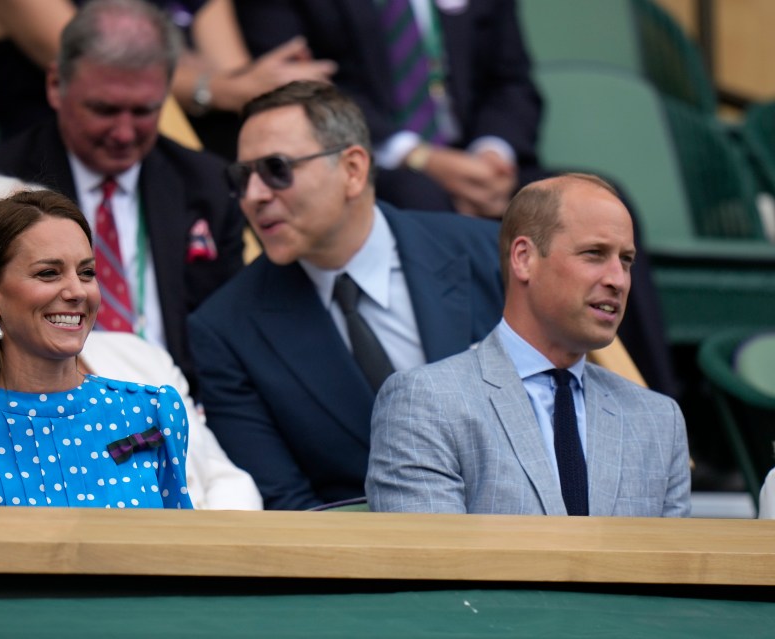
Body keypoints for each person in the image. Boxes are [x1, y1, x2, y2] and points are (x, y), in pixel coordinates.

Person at [188, 81, 503, 510]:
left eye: (276, 169)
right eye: (241, 178)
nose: (254, 196)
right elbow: (290, 508)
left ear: (353, 170)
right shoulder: (226, 328)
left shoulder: (490, 254)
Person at [0, 0, 246, 391]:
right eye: (104, 110)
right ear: (56, 86)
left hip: (183, 409)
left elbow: (230, 341)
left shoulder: (208, 184)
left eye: (144, 111)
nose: (124, 132)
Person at [0, 174, 260, 509]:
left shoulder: (152, 410)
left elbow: (179, 554)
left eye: (86, 272)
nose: (77, 291)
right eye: (48, 273)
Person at [366, 174, 691, 516]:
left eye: (626, 260)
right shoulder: (426, 402)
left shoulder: (659, 421)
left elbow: (670, 568)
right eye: (594, 254)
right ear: (523, 258)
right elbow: (433, 564)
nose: (618, 279)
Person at [233, 0, 545, 218]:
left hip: (474, 157)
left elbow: (511, 81)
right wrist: (418, 156)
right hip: (365, 155)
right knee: (420, 198)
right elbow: (302, 87)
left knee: (571, 201)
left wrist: (491, 156)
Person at [0, 0, 335, 156]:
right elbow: (101, 69)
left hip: (191, 147)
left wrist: (272, 80)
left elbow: (232, 70)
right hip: (74, 157)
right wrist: (216, 88)